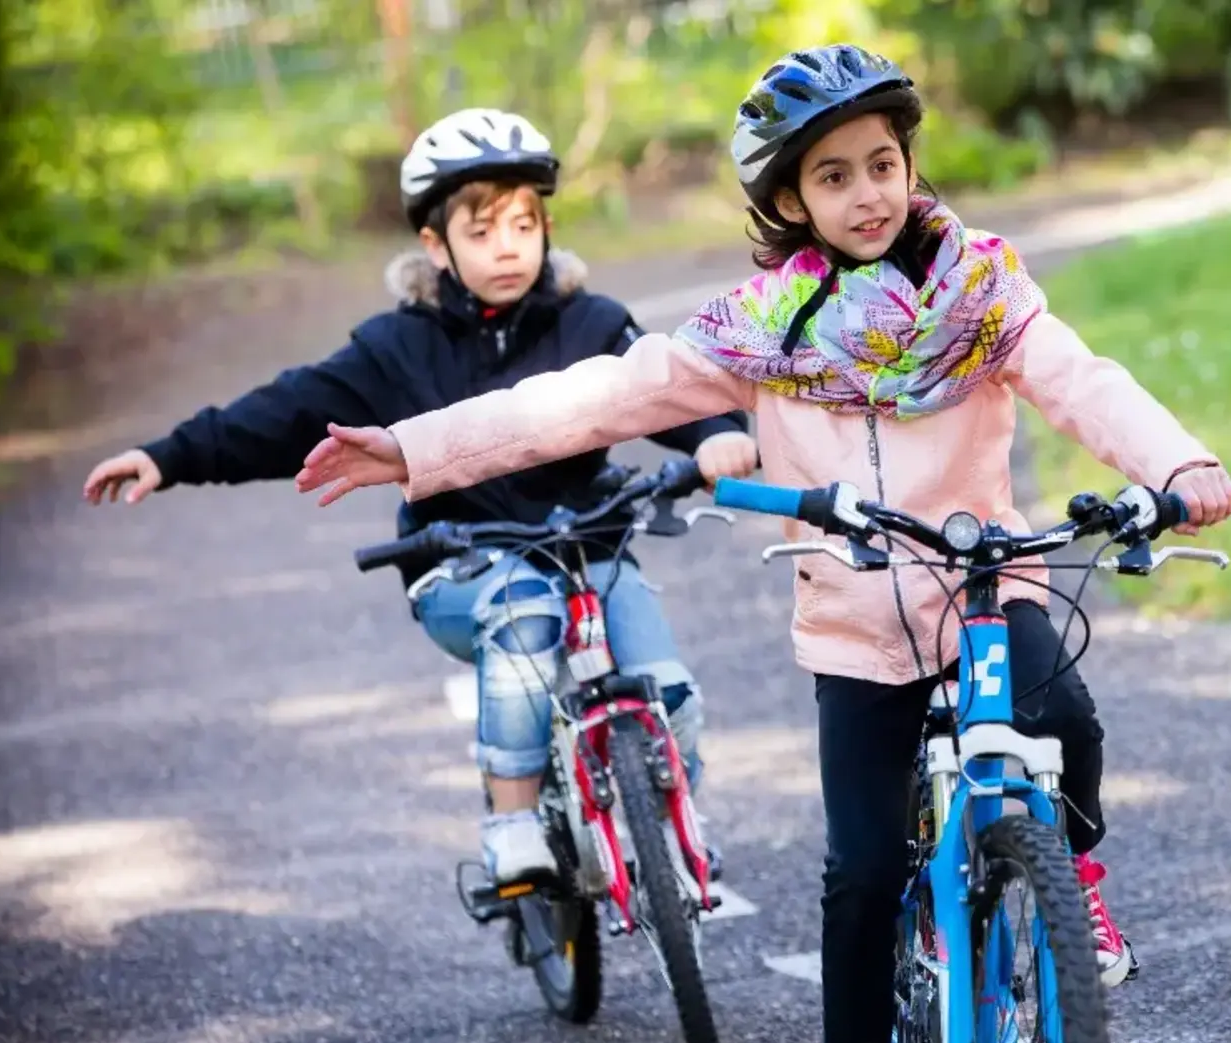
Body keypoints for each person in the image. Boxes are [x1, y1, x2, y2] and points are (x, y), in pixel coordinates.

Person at [292, 49, 1231, 1043]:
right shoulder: (758, 328)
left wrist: (1178, 464)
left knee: (1066, 716)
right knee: (858, 872)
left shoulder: (983, 293)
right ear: (790, 200)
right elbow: (592, 398)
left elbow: (1087, 380)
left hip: (985, 584)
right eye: (834, 176)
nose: (870, 192)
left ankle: (1072, 893)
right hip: (854, 623)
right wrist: (417, 447)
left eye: (884, 164)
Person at [80, 107, 756, 889]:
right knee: (522, 608)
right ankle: (511, 821)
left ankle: (663, 823)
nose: (508, 244)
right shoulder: (394, 346)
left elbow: (663, 387)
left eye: (524, 223)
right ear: (435, 245)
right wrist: (170, 457)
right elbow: (282, 413)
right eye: (481, 229)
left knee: (670, 694)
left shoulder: (596, 322)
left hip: (589, 547)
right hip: (462, 563)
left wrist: (715, 433)